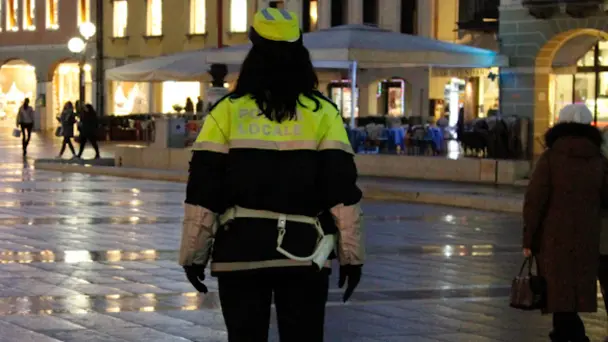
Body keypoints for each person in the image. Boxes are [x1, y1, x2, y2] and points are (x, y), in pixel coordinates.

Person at [179, 7, 364, 342]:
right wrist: (352, 256)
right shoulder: (323, 113)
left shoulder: (226, 113)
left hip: (240, 251)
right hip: (306, 254)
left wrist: (193, 254)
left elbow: (203, 188)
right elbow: (342, 190)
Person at [523, 103, 608, 342]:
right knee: (574, 288)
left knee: (557, 288)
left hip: (553, 236)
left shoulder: (551, 158)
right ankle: (562, 333)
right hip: (587, 236)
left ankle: (575, 336)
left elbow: (535, 200)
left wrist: (529, 238)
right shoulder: (598, 159)